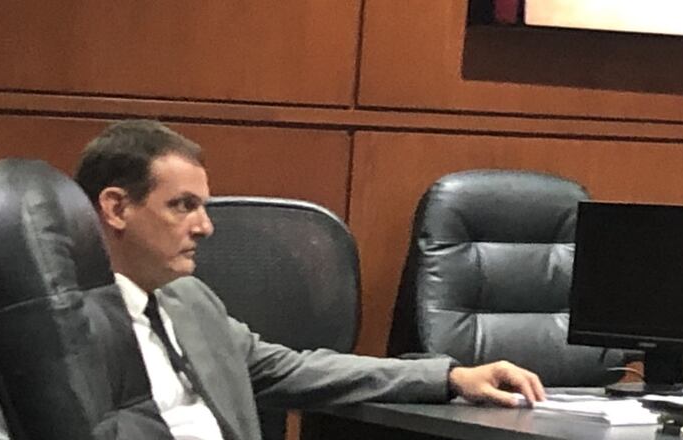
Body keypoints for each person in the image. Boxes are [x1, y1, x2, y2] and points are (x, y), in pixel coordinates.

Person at [72, 119, 546, 440]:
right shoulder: (54, 325)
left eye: (203, 207)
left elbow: (289, 369)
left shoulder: (188, 299)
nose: (205, 226)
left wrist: (450, 376)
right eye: (183, 206)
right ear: (116, 207)